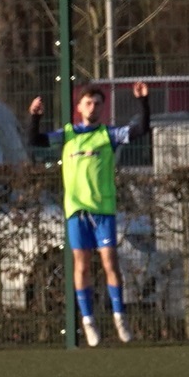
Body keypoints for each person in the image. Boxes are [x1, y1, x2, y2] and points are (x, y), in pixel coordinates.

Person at [27, 81, 150, 347]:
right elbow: (35, 141)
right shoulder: (68, 135)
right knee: (81, 265)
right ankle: (88, 320)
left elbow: (141, 130)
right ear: (80, 107)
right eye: (88, 103)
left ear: (102, 108)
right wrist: (34, 117)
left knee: (110, 263)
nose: (93, 107)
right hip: (76, 211)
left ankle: (119, 316)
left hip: (103, 210)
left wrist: (143, 101)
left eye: (97, 104)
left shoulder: (109, 135)